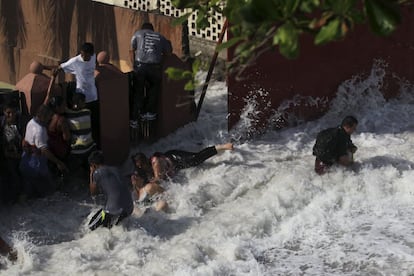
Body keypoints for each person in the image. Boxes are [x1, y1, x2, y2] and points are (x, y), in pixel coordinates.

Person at [54, 42, 100, 146]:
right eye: (82, 54)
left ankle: (94, 144)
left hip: (94, 97)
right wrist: (44, 67)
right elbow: (60, 68)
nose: (83, 57)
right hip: (82, 100)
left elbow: (95, 65)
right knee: (81, 124)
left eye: (86, 55)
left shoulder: (94, 57)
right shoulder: (75, 61)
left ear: (91, 54)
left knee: (94, 123)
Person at [19, 104, 68, 199]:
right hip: (36, 165)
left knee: (28, 191)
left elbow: (25, 141)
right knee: (49, 192)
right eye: (49, 117)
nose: (50, 119)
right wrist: (59, 162)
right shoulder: (39, 130)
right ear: (43, 116)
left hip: (25, 162)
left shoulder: (31, 122)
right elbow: (45, 151)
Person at [129, 22, 173, 125]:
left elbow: (131, 50)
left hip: (140, 65)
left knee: (138, 91)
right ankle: (149, 113)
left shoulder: (137, 34)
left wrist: (134, 65)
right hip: (154, 66)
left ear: (143, 28)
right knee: (153, 89)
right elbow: (168, 53)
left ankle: (134, 118)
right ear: (152, 29)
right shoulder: (160, 36)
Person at [132, 143, 234, 181]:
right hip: (174, 165)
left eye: (142, 164)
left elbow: (158, 179)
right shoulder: (141, 170)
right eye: (139, 166)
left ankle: (222, 146)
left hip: (174, 158)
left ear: (145, 161)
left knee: (196, 159)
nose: (141, 167)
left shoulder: (155, 162)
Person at [88, 151, 134, 230]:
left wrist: (91, 173)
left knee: (91, 227)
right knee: (111, 226)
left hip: (113, 209)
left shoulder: (97, 172)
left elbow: (93, 192)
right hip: (129, 207)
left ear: (94, 165)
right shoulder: (116, 168)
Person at [0, 103, 26, 203]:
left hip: (19, 154)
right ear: (4, 112)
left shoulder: (20, 123)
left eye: (13, 112)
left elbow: (24, 138)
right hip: (8, 156)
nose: (10, 115)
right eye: (8, 113)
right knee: (12, 174)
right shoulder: (2, 123)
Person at [65, 92, 96, 175]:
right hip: (90, 148)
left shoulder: (69, 115)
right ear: (79, 102)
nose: (85, 103)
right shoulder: (87, 112)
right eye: (84, 102)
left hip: (76, 151)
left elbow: (66, 107)